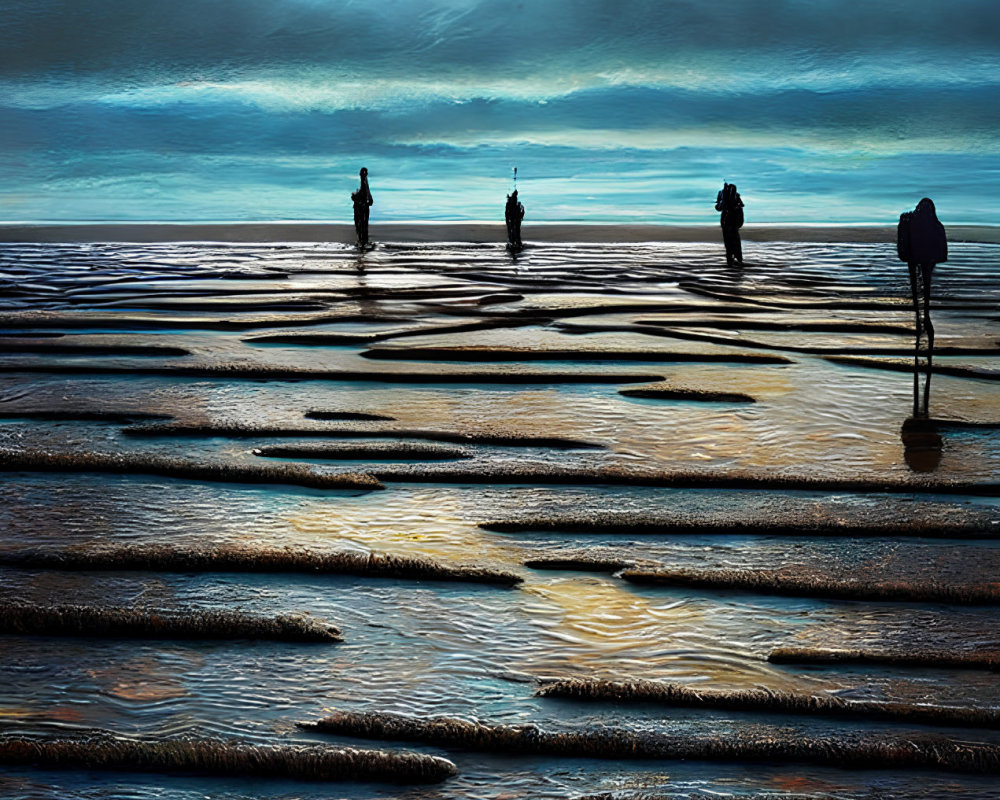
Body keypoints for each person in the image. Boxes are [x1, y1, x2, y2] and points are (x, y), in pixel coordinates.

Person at [715, 182, 744, 266]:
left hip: (731, 222)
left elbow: (718, 207)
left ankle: (734, 260)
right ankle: (735, 260)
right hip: (730, 223)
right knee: (732, 242)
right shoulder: (727, 196)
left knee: (731, 242)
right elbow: (719, 207)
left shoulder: (735, 197)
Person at [351, 167, 373, 247]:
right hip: (361, 205)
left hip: (362, 205)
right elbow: (365, 188)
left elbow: (366, 188)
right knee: (362, 223)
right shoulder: (364, 182)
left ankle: (362, 240)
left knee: (361, 223)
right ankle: (362, 240)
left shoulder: (364, 182)